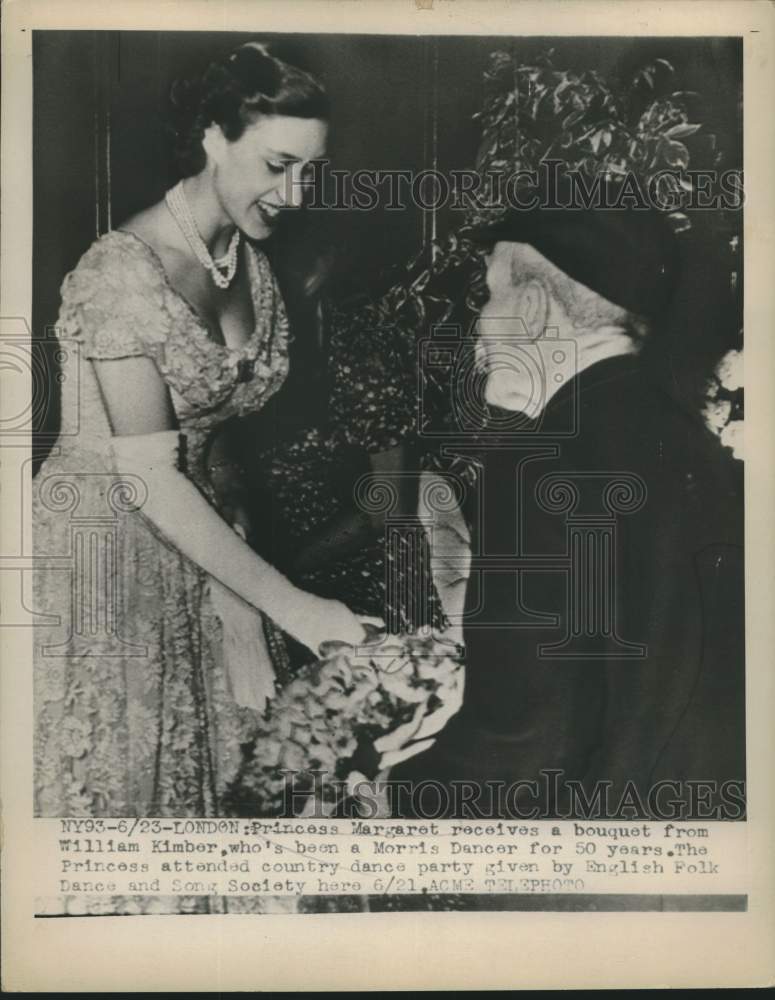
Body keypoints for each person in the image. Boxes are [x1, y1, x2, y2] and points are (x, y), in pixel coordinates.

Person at [33, 40, 374, 831]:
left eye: (311, 170)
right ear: (213, 138)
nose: (295, 193)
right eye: (277, 164)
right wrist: (290, 606)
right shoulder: (121, 270)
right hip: (102, 564)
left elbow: (214, 456)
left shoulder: (250, 263)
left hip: (210, 551)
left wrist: (240, 604)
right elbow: (149, 477)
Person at [392, 187, 745, 819]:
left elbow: (523, 748)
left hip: (599, 875)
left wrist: (385, 796)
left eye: (487, 299)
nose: (478, 331)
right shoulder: (706, 455)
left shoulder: (537, 467)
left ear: (530, 309)